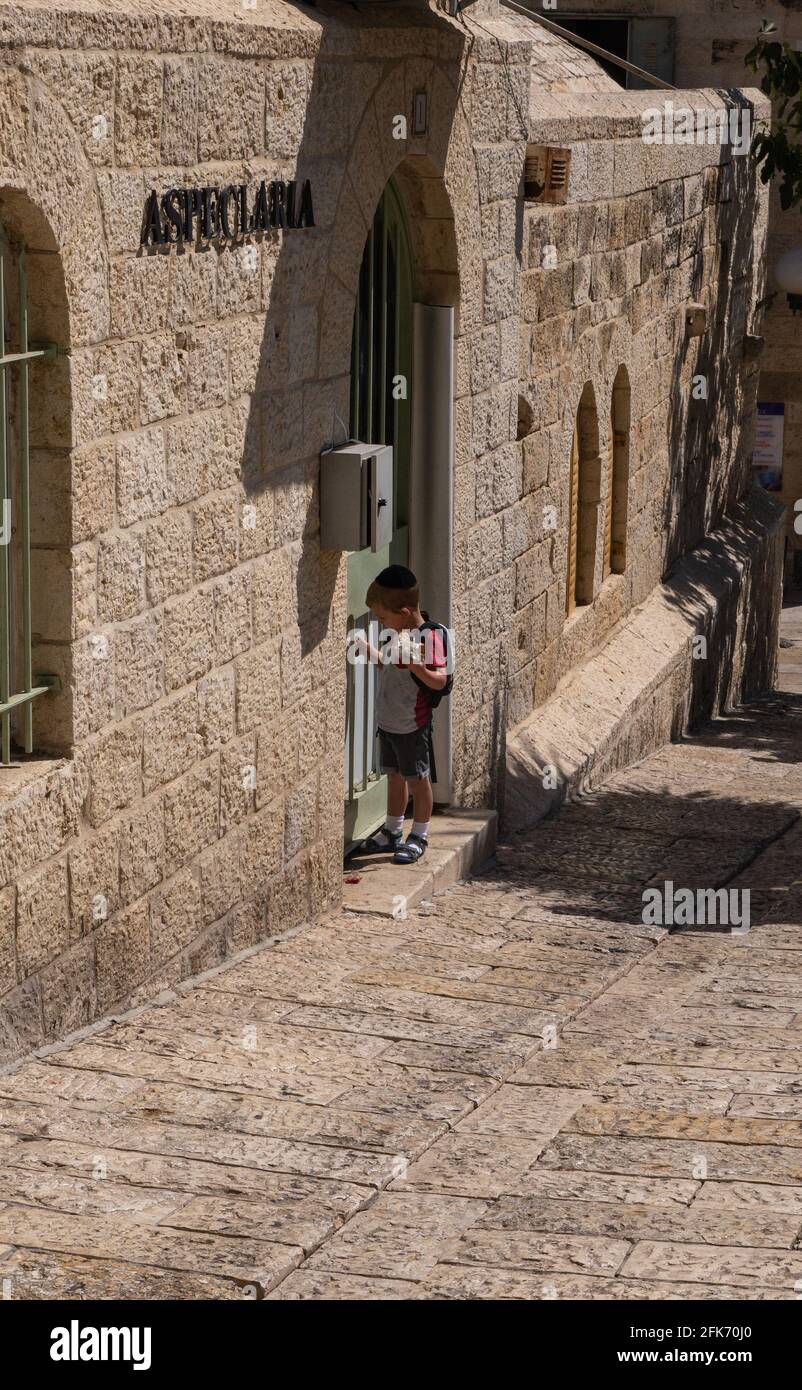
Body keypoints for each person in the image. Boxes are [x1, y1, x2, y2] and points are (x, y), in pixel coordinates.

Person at [358, 564, 451, 864]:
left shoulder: (429, 638)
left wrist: (416, 667)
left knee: (418, 780)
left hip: (412, 725)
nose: (378, 620)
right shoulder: (395, 635)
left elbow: (441, 680)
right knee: (394, 776)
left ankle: (419, 834)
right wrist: (367, 650)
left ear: (406, 611)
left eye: (382, 616)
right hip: (388, 724)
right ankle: (393, 830)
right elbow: (387, 667)